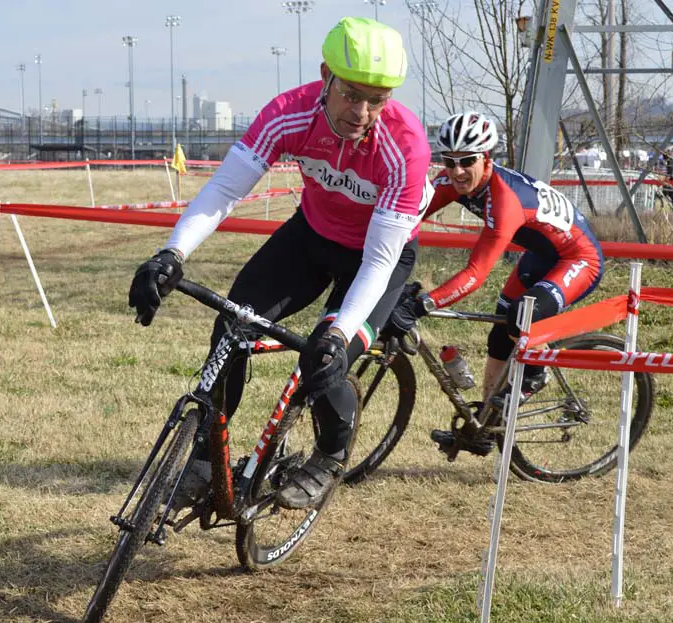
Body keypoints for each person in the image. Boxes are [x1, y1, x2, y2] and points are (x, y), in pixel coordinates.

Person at [128, 17, 431, 509]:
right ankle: (205, 460)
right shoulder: (289, 113)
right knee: (233, 325)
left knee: (326, 358)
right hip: (311, 235)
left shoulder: (405, 147)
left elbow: (380, 256)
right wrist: (171, 253)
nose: (362, 111)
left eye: (377, 99)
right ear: (325, 77)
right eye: (351, 94)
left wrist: (337, 333)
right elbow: (226, 189)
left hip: (378, 257)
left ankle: (330, 456)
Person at [383, 111, 604, 455]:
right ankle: (486, 423)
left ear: (486, 159)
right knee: (500, 335)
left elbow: (475, 273)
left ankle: (536, 372)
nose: (456, 171)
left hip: (578, 259)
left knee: (519, 317)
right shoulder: (453, 182)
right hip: (540, 256)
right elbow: (406, 215)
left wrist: (422, 304)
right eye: (449, 161)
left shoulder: (505, 200)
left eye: (467, 161)